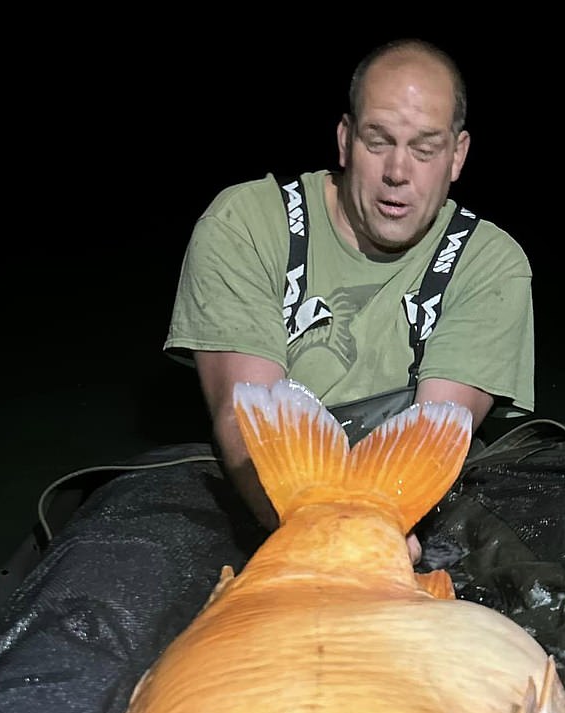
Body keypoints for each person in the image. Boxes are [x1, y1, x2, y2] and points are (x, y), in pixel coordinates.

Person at [164, 38, 534, 558]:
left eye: (425, 149)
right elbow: (243, 418)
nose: (397, 173)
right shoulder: (245, 222)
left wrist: (371, 546)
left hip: (399, 514)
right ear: (344, 140)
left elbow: (431, 441)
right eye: (377, 141)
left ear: (457, 156)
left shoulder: (491, 263)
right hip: (269, 492)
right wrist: (321, 544)